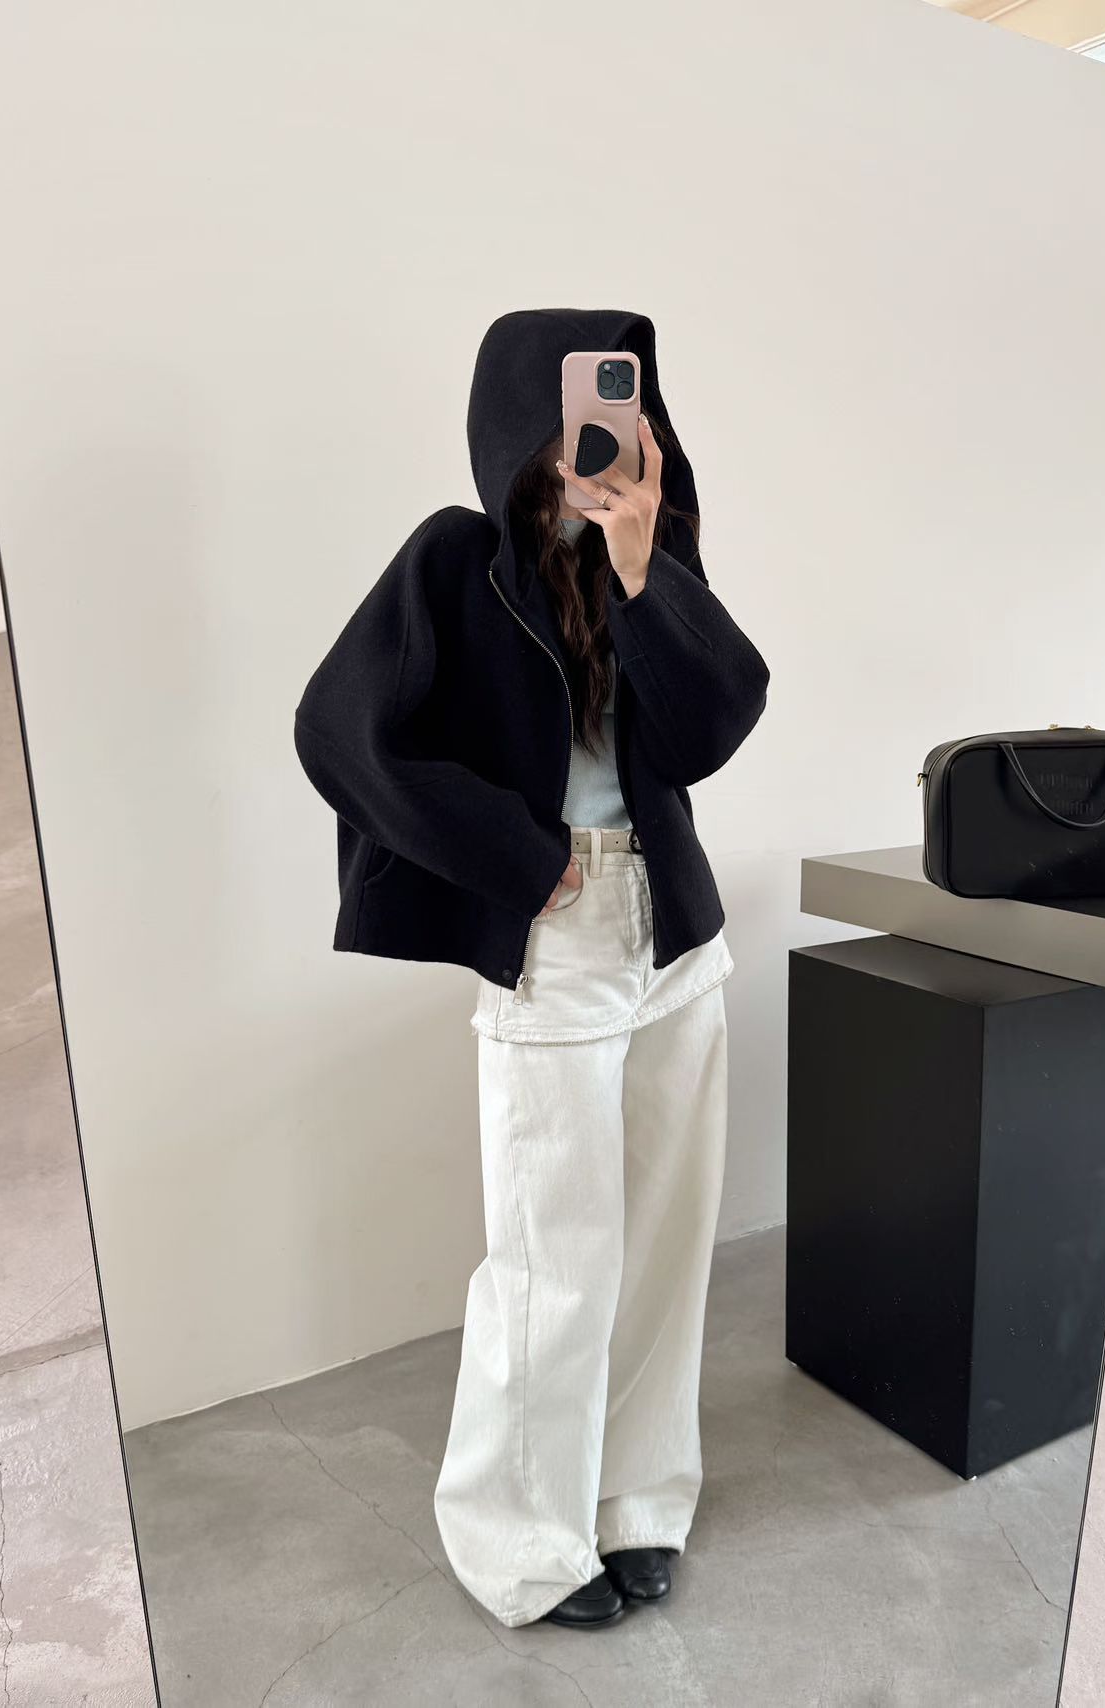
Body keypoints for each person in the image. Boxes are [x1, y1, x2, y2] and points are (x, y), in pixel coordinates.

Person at [294, 307, 770, 1629]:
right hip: (558, 933)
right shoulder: (451, 564)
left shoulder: (649, 558)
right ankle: (518, 1542)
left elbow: (719, 719)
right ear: (520, 422)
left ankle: (636, 1500)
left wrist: (644, 565)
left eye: (624, 409)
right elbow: (339, 731)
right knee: (556, 1257)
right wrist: (514, 855)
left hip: (675, 925)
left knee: (666, 1242)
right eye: (572, 416)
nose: (600, 439)